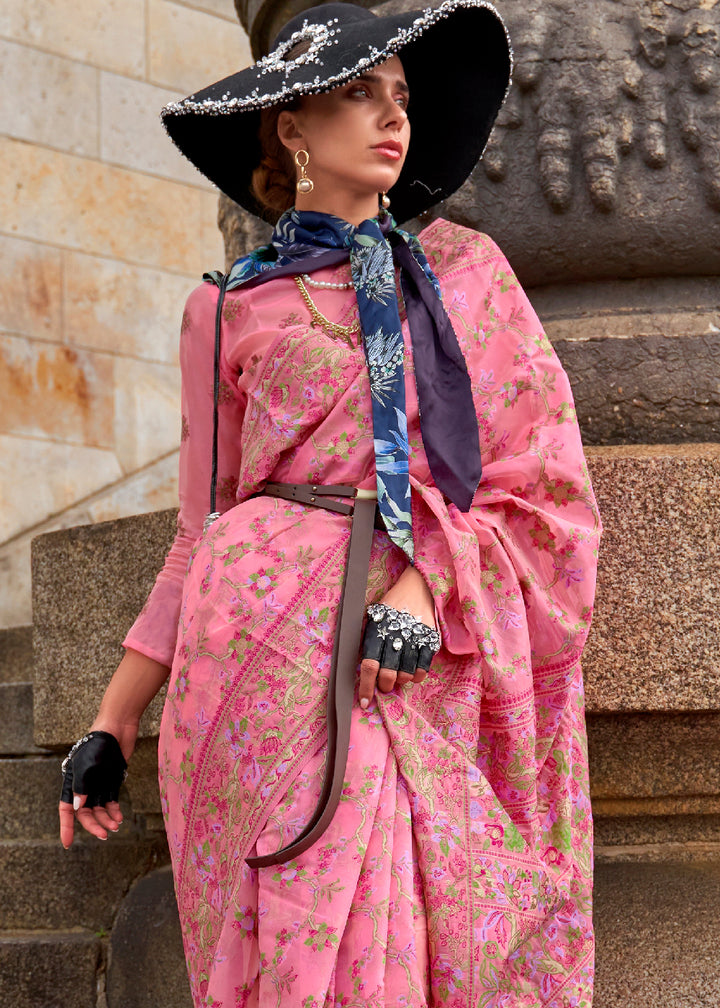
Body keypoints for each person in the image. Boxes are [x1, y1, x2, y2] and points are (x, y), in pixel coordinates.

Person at [59, 2, 602, 1005]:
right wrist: (112, 720)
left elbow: (541, 485)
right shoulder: (222, 307)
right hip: (242, 673)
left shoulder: (467, 279)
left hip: (387, 661)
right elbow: (197, 531)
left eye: (399, 97)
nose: (392, 117)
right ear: (292, 130)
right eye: (359, 95)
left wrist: (429, 590)